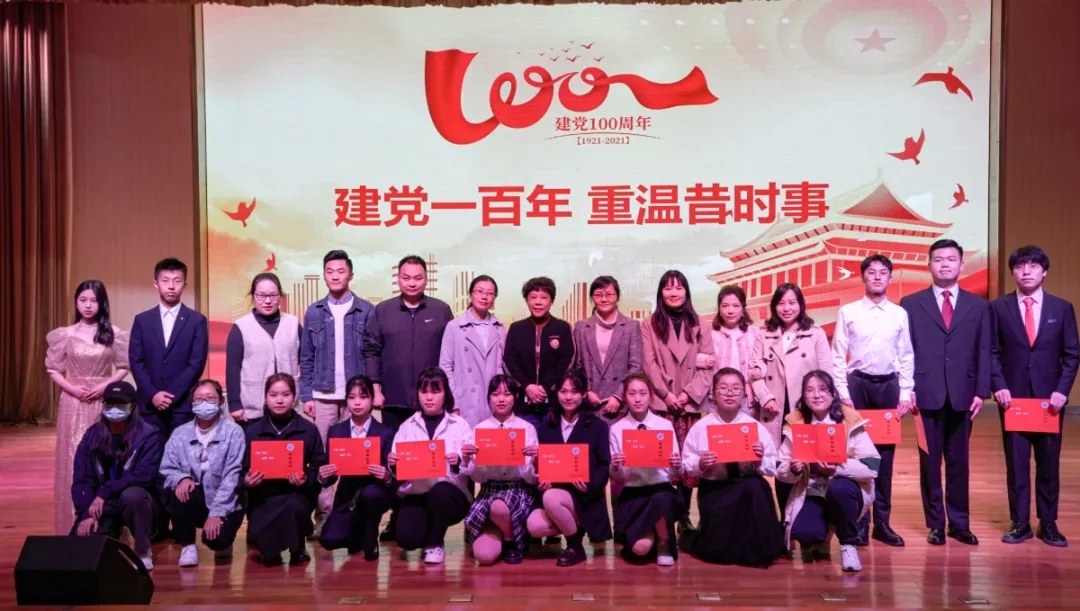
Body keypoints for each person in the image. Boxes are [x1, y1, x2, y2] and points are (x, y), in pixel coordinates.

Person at [899, 239, 989, 546]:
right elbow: (904, 350)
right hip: (925, 394)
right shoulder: (911, 304)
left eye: (951, 259)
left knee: (959, 462)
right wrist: (907, 388)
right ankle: (936, 523)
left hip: (964, 394)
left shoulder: (979, 306)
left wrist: (982, 391)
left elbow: (985, 349)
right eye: (938, 259)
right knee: (929, 462)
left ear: (962, 264)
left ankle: (960, 524)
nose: (945, 264)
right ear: (929, 265)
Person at [991, 245, 1079, 547]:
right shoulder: (998, 308)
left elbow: (1071, 355)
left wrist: (1062, 390)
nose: (1026, 271)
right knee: (1016, 464)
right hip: (1012, 399)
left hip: (1049, 401)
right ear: (1013, 272)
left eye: (1033, 266)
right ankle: (1019, 523)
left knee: (1049, 463)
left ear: (1044, 272)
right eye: (1020, 266)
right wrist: (998, 385)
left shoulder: (1061, 308)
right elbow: (991, 352)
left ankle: (1048, 523)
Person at [830, 254, 913, 547]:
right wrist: (843, 393)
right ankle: (861, 522)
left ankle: (883, 523)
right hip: (858, 386)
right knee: (858, 454)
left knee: (885, 458)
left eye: (883, 273)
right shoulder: (848, 311)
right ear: (863, 277)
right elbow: (838, 355)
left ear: (890, 278)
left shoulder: (899, 314)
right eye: (872, 272)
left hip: (888, 386)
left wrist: (905, 393)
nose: (877, 277)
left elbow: (906, 355)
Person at [46, 279, 130, 535]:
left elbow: (124, 367)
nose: (88, 305)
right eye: (83, 300)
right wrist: (72, 388)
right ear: (76, 302)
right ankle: (72, 521)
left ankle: (106, 522)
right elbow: (53, 369)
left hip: (102, 402)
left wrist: (105, 386)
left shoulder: (113, 334)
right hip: (73, 402)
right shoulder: (65, 334)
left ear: (102, 303)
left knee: (104, 454)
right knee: (74, 457)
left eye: (94, 300)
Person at [298, 250, 374, 526]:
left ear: (350, 275)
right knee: (324, 458)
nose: (335, 276)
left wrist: (372, 392)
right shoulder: (314, 311)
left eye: (340, 271)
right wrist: (306, 395)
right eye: (330, 271)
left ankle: (353, 516)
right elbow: (306, 357)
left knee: (357, 458)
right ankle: (323, 516)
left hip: (356, 396)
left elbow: (372, 353)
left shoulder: (367, 310)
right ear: (324, 275)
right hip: (323, 395)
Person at [777, 371, 880, 573]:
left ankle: (848, 544)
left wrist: (838, 467)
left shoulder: (850, 421)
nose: (816, 395)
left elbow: (872, 466)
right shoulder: (796, 424)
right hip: (812, 491)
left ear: (833, 394)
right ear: (803, 397)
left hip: (844, 490)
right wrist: (792, 469)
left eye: (823, 389)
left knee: (840, 488)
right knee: (805, 533)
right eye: (809, 390)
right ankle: (821, 535)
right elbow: (780, 469)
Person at [680, 369, 784, 567]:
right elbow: (686, 465)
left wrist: (759, 459)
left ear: (744, 395)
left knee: (756, 488)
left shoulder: (754, 426)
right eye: (723, 388)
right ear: (713, 393)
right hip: (715, 488)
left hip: (747, 485)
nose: (729, 393)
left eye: (736, 389)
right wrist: (701, 463)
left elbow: (772, 467)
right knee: (717, 550)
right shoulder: (701, 427)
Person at [640, 270, 714, 532]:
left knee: (687, 461)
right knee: (661, 460)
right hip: (662, 403)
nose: (673, 293)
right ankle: (661, 517)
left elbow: (708, 364)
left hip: (689, 405)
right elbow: (648, 364)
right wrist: (667, 394)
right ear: (661, 292)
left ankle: (683, 516)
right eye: (668, 288)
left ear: (686, 292)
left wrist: (687, 395)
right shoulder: (649, 324)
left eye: (679, 288)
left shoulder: (701, 324)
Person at [749, 283, 831, 515]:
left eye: (792, 303)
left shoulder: (815, 333)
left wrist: (820, 403)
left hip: (805, 409)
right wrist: (765, 398)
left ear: (800, 305)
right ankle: (785, 521)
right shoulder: (764, 334)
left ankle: (807, 519)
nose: (786, 308)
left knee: (808, 460)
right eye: (781, 303)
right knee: (782, 464)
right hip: (775, 409)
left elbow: (826, 371)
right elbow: (754, 371)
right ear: (774, 306)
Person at [71, 381, 163, 571]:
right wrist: (86, 513)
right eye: (110, 403)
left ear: (133, 405)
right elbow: (82, 478)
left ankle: (143, 551)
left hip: (137, 502)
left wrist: (105, 491)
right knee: (81, 552)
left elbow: (144, 476)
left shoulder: (148, 435)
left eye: (121, 404)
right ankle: (110, 533)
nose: (115, 409)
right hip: (102, 505)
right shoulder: (92, 436)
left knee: (133, 495)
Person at [527, 369, 612, 567]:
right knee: (534, 525)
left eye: (574, 392)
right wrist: (541, 478)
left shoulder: (598, 426)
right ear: (556, 393)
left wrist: (590, 485)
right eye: (563, 391)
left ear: (584, 394)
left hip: (585, 496)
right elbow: (544, 464)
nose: (568, 397)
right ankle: (574, 529)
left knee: (551, 498)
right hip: (555, 493)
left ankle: (575, 546)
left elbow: (604, 464)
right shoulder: (547, 426)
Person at [387, 368, 472, 564]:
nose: (429, 397)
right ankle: (429, 530)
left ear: (445, 393)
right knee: (407, 540)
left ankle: (435, 543)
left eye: (436, 391)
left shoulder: (460, 425)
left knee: (440, 491)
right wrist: (394, 465)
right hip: (417, 493)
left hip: (450, 496)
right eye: (424, 391)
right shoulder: (406, 426)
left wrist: (459, 462)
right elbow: (398, 472)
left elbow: (472, 467)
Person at [159, 380, 247, 567]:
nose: (204, 403)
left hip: (225, 500)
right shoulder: (180, 433)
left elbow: (232, 475)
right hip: (194, 499)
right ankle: (187, 544)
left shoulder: (234, 432)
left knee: (217, 541)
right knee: (178, 491)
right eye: (199, 399)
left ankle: (223, 540)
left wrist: (217, 513)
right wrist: (181, 478)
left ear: (221, 402)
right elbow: (167, 467)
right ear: (192, 403)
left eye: (210, 398)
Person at [242, 373, 327, 566]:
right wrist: (246, 480)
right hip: (263, 498)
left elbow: (319, 466)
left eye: (286, 394)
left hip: (296, 494)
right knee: (267, 555)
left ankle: (297, 547)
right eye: (273, 395)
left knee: (294, 506)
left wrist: (306, 478)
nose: (279, 400)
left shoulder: (308, 429)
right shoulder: (252, 431)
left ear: (294, 397)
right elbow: (240, 469)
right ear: (265, 397)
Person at [365, 255, 454, 431]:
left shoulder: (441, 310)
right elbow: (371, 351)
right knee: (395, 446)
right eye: (406, 278)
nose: (412, 283)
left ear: (426, 280)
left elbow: (452, 354)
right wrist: (375, 390)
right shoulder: (383, 310)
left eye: (418, 278)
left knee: (432, 446)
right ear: (398, 279)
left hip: (432, 398)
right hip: (393, 398)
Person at [460, 374, 539, 566]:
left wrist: (535, 461)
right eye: (495, 394)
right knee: (484, 556)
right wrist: (468, 459)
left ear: (516, 397)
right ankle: (506, 532)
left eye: (507, 394)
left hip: (517, 490)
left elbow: (530, 479)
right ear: (489, 398)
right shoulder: (480, 429)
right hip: (489, 490)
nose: (501, 399)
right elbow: (479, 478)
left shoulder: (527, 428)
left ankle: (511, 541)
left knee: (499, 506)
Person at [317, 375, 395, 561]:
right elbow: (331, 476)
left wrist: (386, 475)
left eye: (363, 397)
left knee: (370, 495)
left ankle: (370, 534)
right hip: (348, 495)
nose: (357, 402)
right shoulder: (336, 431)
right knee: (329, 540)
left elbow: (392, 476)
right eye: (352, 397)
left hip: (375, 492)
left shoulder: (385, 432)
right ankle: (358, 533)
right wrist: (323, 475)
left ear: (372, 399)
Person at [129, 257, 209, 436]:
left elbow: (196, 363)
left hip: (181, 405)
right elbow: (136, 361)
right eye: (165, 281)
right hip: (149, 405)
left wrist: (172, 394)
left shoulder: (197, 321)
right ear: (156, 284)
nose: (171, 286)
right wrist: (153, 394)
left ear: (185, 285)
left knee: (181, 451)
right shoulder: (142, 320)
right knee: (150, 451)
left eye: (177, 281)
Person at [609, 373, 680, 566]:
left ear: (651, 396)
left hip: (660, 489)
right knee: (640, 549)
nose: (638, 399)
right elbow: (619, 478)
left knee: (661, 498)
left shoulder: (664, 425)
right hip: (633, 493)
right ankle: (652, 534)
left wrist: (676, 464)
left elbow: (674, 474)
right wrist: (615, 466)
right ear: (624, 397)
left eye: (643, 393)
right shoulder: (617, 429)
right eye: (632, 393)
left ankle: (663, 542)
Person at [226, 272, 301, 426]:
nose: (267, 301)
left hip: (288, 405)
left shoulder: (293, 324)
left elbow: (307, 362)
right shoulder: (241, 327)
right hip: (253, 407)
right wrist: (234, 403)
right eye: (261, 295)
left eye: (273, 295)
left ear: (280, 296)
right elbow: (233, 368)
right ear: (253, 296)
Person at [503, 277, 575, 431]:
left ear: (551, 301)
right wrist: (527, 386)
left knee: (552, 444)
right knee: (525, 444)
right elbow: (508, 361)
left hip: (554, 405)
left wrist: (545, 387)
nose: (538, 302)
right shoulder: (516, 328)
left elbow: (567, 361)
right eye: (533, 297)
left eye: (544, 297)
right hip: (523, 404)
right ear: (527, 301)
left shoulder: (563, 328)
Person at [573, 275, 643, 423]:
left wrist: (618, 396)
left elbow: (635, 367)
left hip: (620, 405)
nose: (604, 299)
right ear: (592, 298)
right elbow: (577, 366)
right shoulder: (581, 327)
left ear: (617, 297)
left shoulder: (631, 326)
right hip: (590, 404)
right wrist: (587, 391)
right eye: (598, 295)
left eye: (609, 294)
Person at [440, 275, 507, 428]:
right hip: (464, 400)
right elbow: (445, 366)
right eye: (480, 291)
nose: (484, 296)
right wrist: (454, 402)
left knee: (493, 440)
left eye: (490, 293)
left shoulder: (500, 327)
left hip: (494, 399)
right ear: (471, 294)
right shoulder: (454, 327)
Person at [706, 285, 758, 414]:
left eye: (735, 306)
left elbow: (762, 363)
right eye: (725, 306)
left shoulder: (755, 333)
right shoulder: (709, 334)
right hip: (716, 399)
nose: (730, 311)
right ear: (719, 308)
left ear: (743, 308)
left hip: (747, 399)